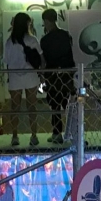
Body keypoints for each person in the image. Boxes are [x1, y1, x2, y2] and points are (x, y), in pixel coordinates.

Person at [4, 12, 42, 148]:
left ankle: (15, 136)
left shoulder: (10, 42)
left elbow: (6, 61)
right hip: (31, 76)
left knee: (15, 107)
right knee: (32, 106)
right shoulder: (32, 40)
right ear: (27, 24)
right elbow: (40, 57)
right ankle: (34, 135)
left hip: (14, 77)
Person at [40, 9, 75, 144]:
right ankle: (73, 133)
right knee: (69, 105)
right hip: (66, 75)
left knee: (55, 105)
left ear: (47, 21)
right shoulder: (66, 35)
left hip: (53, 76)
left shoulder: (45, 40)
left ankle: (57, 133)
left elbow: (45, 59)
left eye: (44, 22)